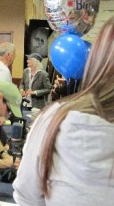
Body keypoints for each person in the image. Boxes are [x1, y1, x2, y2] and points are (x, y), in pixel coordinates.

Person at [13, 16, 114, 205]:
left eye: (29, 61)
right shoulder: (27, 75)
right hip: (28, 105)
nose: (27, 63)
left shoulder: (56, 118)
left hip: (40, 103)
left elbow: (26, 196)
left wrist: (37, 91)